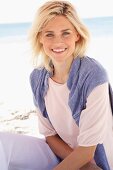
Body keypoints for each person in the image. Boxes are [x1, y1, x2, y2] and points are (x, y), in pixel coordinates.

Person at [29, 0, 113, 170]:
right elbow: (49, 134)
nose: (57, 42)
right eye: (49, 34)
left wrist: (86, 165)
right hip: (66, 158)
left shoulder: (93, 75)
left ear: (77, 35)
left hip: (99, 163)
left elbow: (87, 151)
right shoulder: (37, 78)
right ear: (40, 37)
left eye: (66, 33)